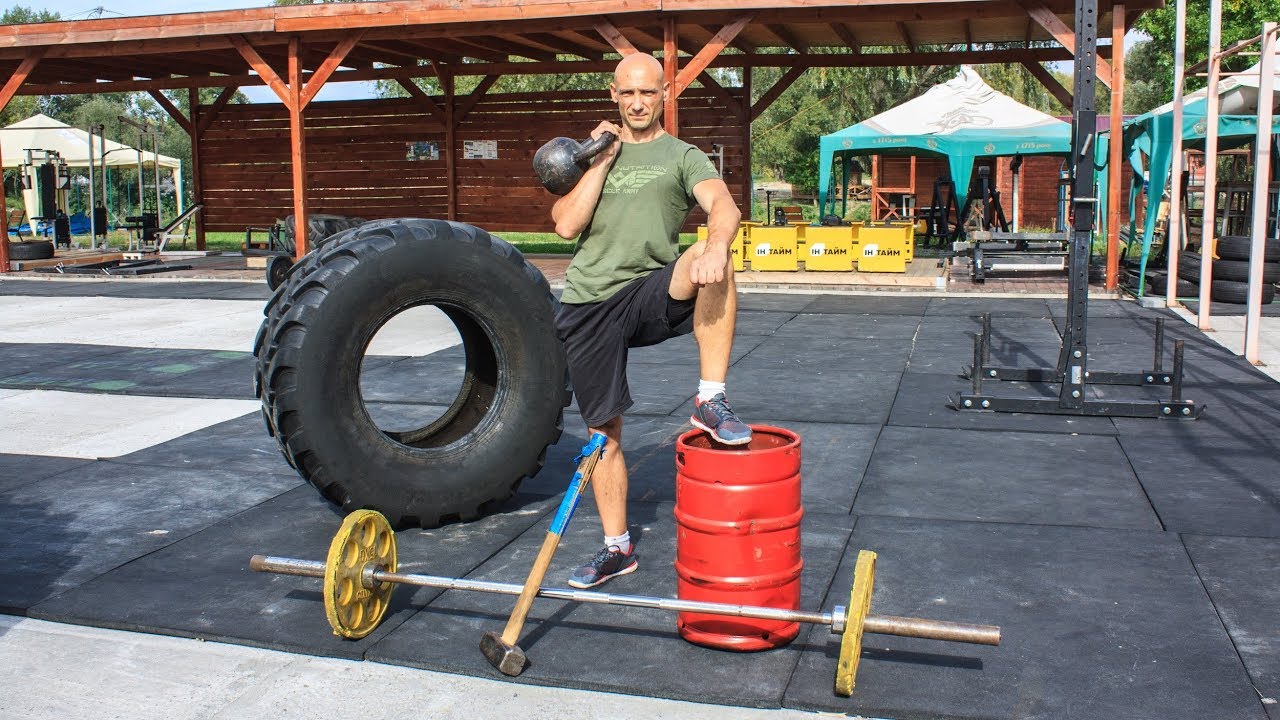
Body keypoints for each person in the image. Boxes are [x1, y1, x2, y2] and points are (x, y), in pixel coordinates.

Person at [551, 53, 750, 589]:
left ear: (664, 94)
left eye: (648, 93)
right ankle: (616, 548)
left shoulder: (682, 156)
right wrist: (599, 160)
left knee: (716, 258)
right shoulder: (595, 156)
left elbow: (724, 207)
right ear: (613, 96)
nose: (638, 102)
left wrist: (714, 244)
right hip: (589, 302)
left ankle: (710, 398)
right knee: (603, 434)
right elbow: (566, 225)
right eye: (628, 94)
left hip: (647, 292)